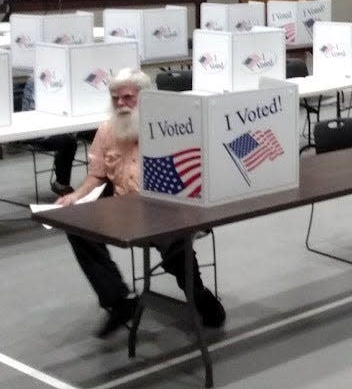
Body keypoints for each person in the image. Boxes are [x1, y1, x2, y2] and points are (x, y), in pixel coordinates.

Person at [56, 68, 225, 338]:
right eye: (115, 99)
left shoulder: (171, 128)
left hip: (167, 209)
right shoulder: (106, 131)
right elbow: (97, 175)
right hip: (123, 209)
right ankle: (118, 300)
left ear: (144, 97)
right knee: (77, 228)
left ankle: (199, 296)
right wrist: (77, 195)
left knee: (176, 252)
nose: (121, 104)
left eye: (128, 98)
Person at [21, 76, 80, 195]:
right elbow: (34, 115)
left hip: (61, 127)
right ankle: (61, 184)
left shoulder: (67, 76)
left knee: (105, 132)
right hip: (37, 131)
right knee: (69, 142)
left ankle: (104, 183)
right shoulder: (37, 79)